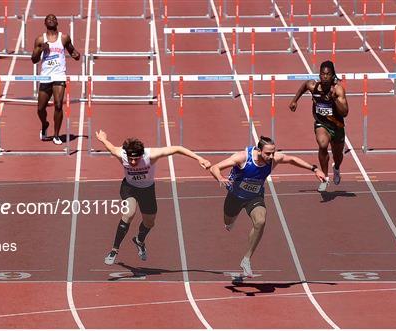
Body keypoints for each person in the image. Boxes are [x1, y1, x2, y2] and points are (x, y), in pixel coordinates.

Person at [210, 136, 326, 277]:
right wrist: (220, 177)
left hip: (254, 197)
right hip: (235, 196)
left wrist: (314, 169)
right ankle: (231, 222)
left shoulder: (273, 159)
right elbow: (214, 167)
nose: (271, 156)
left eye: (273, 152)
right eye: (268, 153)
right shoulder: (242, 157)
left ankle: (246, 259)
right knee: (228, 221)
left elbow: (292, 159)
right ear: (259, 151)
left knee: (260, 221)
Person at [95, 130, 211, 265]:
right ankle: (114, 250)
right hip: (129, 188)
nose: (133, 162)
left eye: (136, 159)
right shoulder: (120, 154)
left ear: (141, 155)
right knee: (129, 213)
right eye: (130, 159)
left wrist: (200, 159)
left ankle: (139, 240)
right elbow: (110, 146)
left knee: (149, 222)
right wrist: (103, 139)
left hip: (147, 190)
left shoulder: (151, 155)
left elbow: (178, 149)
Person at [288, 60, 349, 192]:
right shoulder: (313, 86)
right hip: (321, 123)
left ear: (333, 75)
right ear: (319, 75)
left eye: (328, 74)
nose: (325, 77)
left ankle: (336, 168)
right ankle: (325, 178)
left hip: (337, 125)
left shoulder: (338, 90)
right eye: (322, 74)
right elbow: (304, 86)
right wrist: (294, 100)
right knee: (322, 144)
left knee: (337, 155)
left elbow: (345, 112)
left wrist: (334, 99)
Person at [31, 14, 80, 145]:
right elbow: (34, 60)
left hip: (59, 75)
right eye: (48, 19)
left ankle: (56, 135)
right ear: (45, 23)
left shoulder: (64, 38)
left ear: (57, 22)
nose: (51, 20)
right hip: (46, 76)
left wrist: (76, 55)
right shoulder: (40, 39)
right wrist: (41, 49)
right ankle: (45, 124)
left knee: (58, 105)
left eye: (53, 18)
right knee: (41, 108)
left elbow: (72, 51)